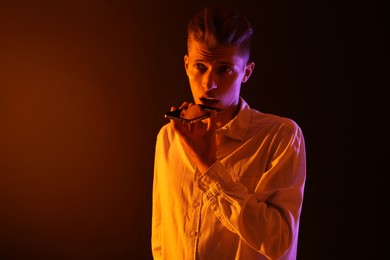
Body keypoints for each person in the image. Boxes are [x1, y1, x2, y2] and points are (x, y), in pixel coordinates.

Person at [151, 6, 306, 260]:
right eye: (200, 66)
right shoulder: (169, 137)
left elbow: (279, 243)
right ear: (187, 65)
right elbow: (162, 237)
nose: (208, 84)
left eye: (224, 69)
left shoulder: (281, 137)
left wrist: (210, 167)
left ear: (246, 72)